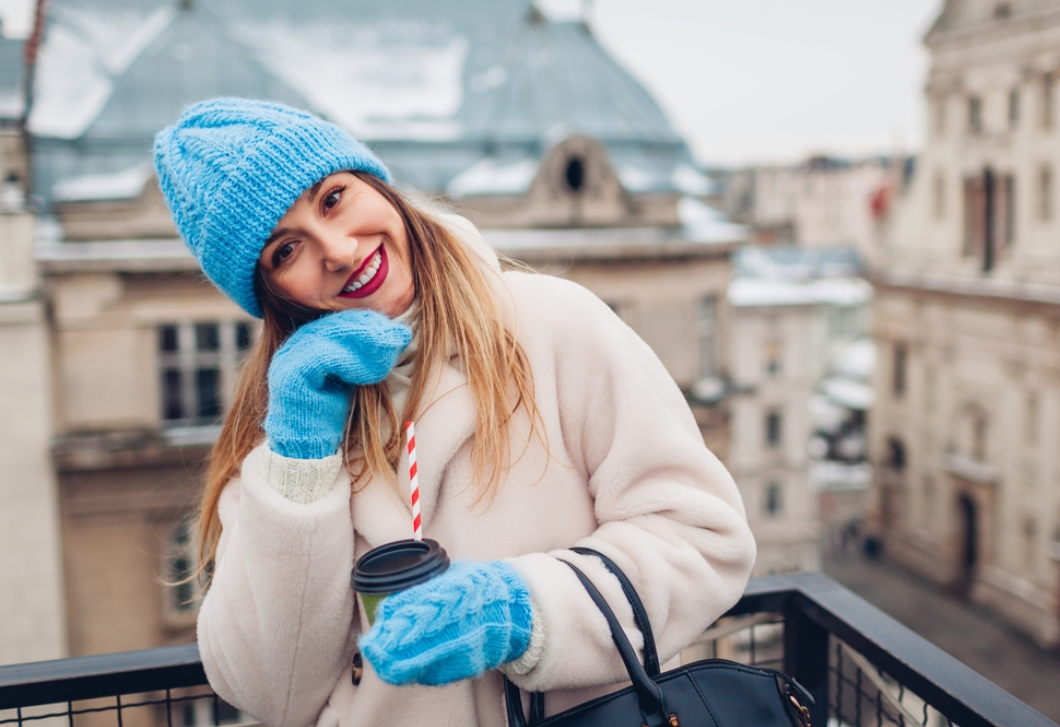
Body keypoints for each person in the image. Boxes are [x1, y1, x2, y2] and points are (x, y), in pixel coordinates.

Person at [154, 98, 756, 727]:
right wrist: (300, 464)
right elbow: (269, 693)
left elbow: (700, 540)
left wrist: (527, 611)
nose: (336, 249)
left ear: (374, 185)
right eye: (285, 251)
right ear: (271, 294)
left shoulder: (552, 325)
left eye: (332, 198)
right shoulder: (280, 429)